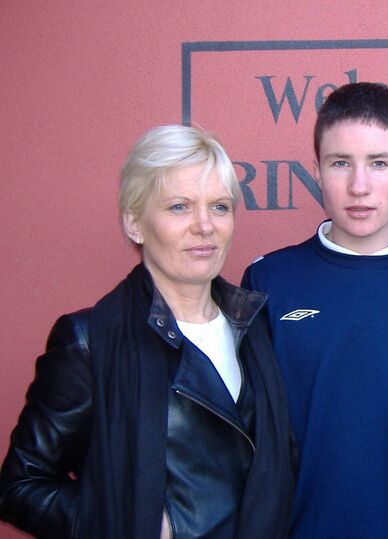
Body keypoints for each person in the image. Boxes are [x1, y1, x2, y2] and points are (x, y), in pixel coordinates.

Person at [0, 125, 295, 538]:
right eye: (179, 207)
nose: (204, 226)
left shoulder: (258, 327)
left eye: (220, 207)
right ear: (136, 224)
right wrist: (134, 522)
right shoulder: (88, 341)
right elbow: (19, 486)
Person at [242, 82, 388, 538]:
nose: (359, 186)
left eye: (379, 163)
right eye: (340, 163)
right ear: (316, 170)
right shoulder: (270, 281)